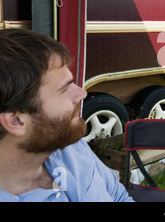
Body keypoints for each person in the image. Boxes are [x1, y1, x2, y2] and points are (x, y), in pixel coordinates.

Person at [0, 28, 133, 202]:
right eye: (64, 89)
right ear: (16, 121)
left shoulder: (67, 145)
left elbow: (118, 196)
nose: (82, 93)